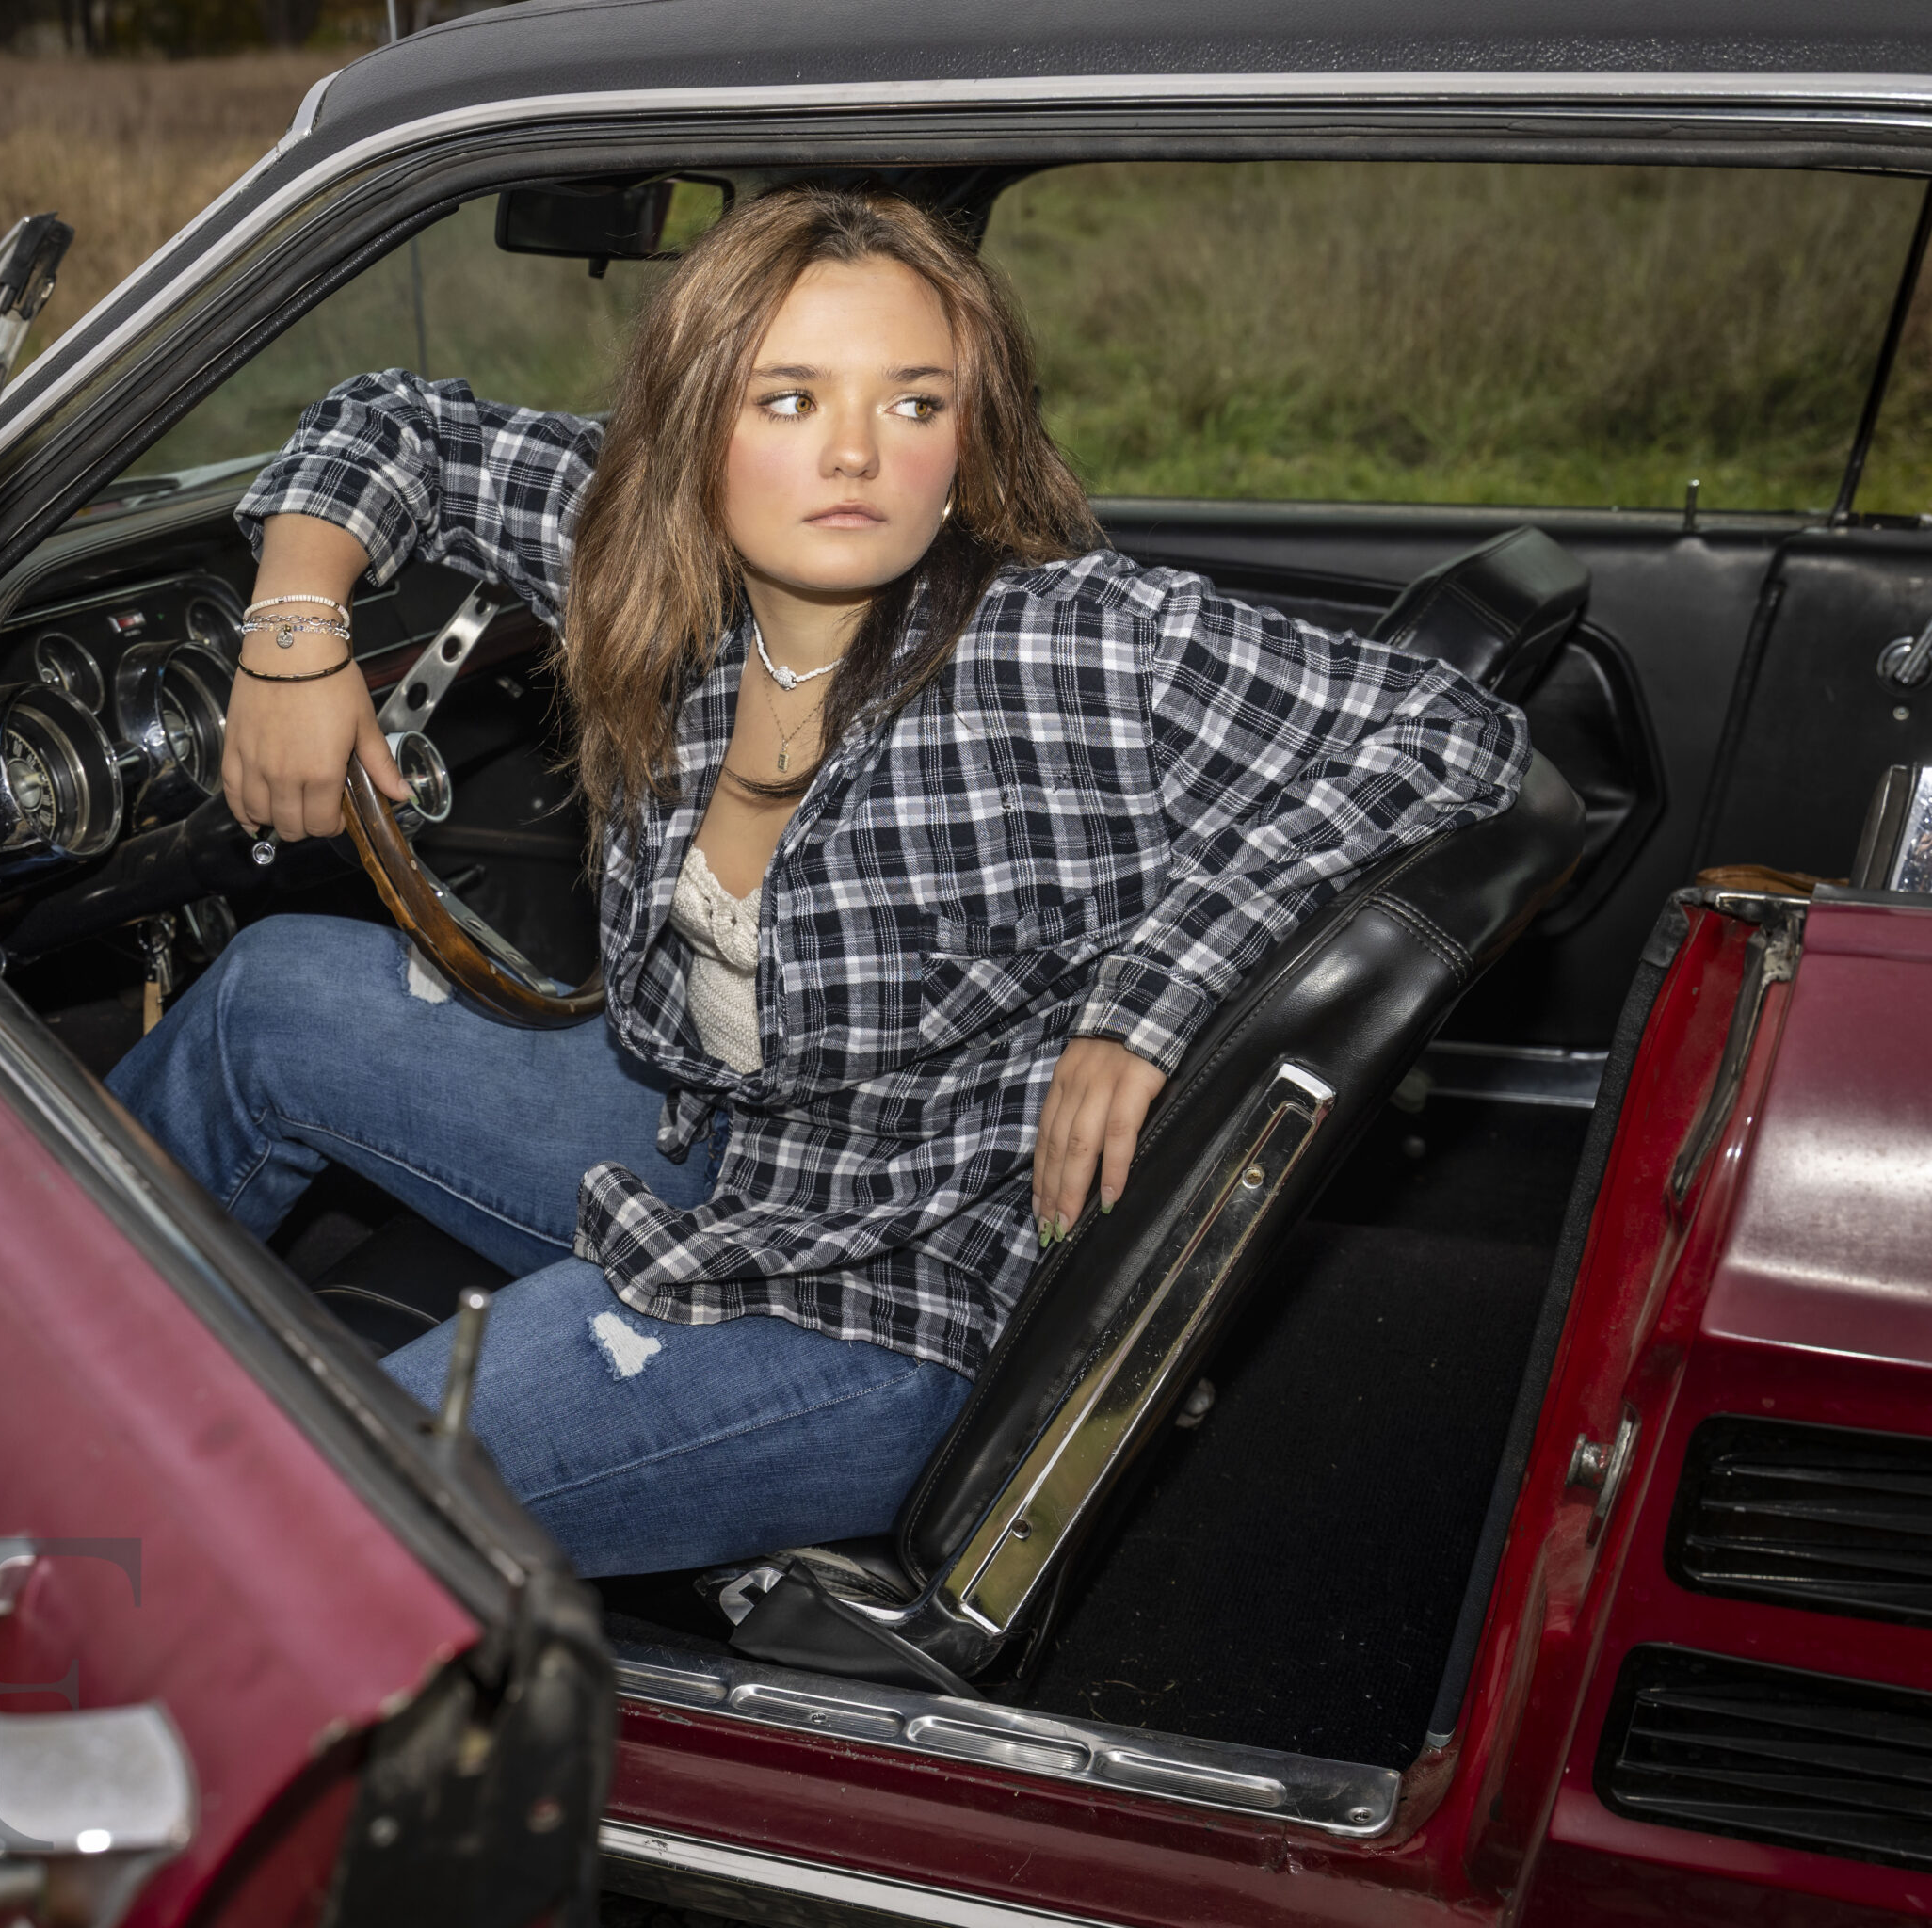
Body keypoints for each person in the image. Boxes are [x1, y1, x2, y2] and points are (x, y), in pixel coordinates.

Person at [109, 185, 1529, 1578]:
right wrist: (294, 634)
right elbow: (389, 424)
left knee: (306, 1488)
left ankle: (96, 1593)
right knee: (267, 1002)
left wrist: (1147, 996)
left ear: (967, 440)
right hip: (719, 1136)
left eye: (913, 403)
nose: (855, 452)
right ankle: (46, 1362)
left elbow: (1455, 736)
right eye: (788, 399)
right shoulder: (647, 565)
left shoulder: (1078, 651)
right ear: (692, 423)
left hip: (883, 1294)